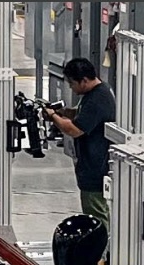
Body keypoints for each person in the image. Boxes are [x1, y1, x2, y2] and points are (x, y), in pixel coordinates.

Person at [47, 57, 116, 228]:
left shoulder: (97, 99)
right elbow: (82, 115)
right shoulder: (96, 92)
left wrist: (52, 116)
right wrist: (63, 112)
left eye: (72, 83)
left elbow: (74, 130)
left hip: (95, 168)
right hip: (92, 165)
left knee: (96, 216)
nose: (71, 87)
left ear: (84, 80)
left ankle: (100, 245)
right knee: (97, 212)